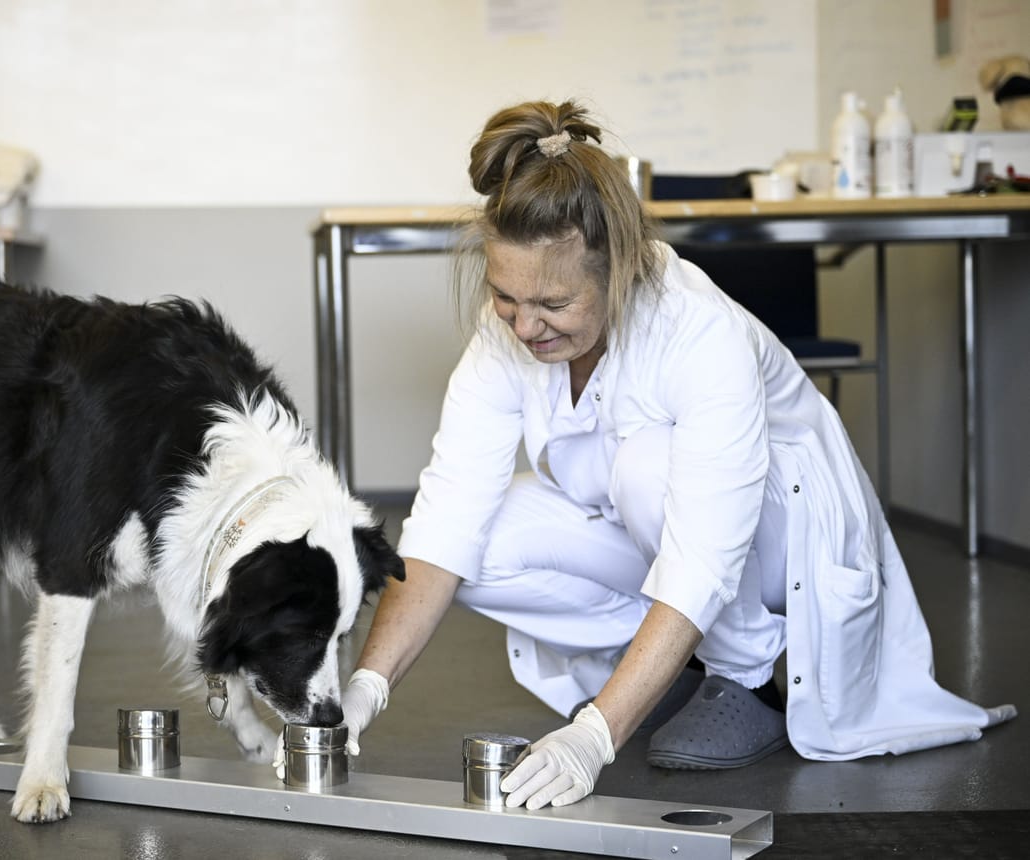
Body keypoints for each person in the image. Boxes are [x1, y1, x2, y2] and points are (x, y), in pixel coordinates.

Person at [325, 98, 1017, 811]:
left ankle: (745, 675)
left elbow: (704, 553)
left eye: (554, 305)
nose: (525, 326)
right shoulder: (507, 333)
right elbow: (444, 517)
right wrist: (366, 688)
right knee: (481, 540)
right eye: (506, 296)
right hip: (651, 528)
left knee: (647, 464)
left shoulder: (699, 330)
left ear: (617, 271)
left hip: (780, 547)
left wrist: (597, 733)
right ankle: (669, 666)